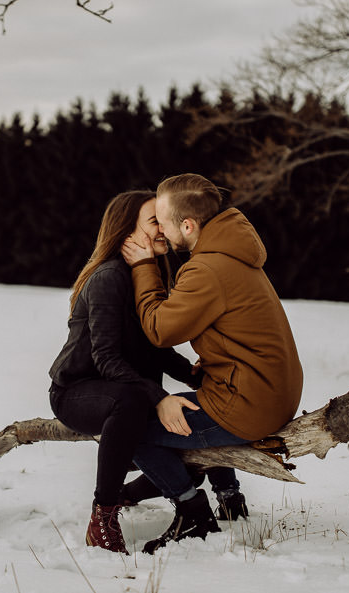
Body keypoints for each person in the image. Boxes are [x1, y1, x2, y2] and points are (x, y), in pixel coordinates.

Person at [48, 190, 245, 555]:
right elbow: (106, 358)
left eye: (163, 221)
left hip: (128, 391)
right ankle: (103, 517)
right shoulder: (110, 278)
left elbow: (154, 345)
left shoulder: (151, 272)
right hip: (79, 391)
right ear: (127, 232)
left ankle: (224, 491)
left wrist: (195, 375)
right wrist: (160, 397)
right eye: (154, 221)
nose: (164, 229)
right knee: (135, 403)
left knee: (199, 406)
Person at [121, 173, 303, 554]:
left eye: (164, 223)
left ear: (187, 225)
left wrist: (143, 267)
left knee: (128, 431)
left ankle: (192, 511)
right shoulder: (231, 253)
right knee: (192, 399)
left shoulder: (206, 269)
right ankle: (229, 495)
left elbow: (158, 329)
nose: (163, 233)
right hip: (267, 393)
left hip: (248, 404)